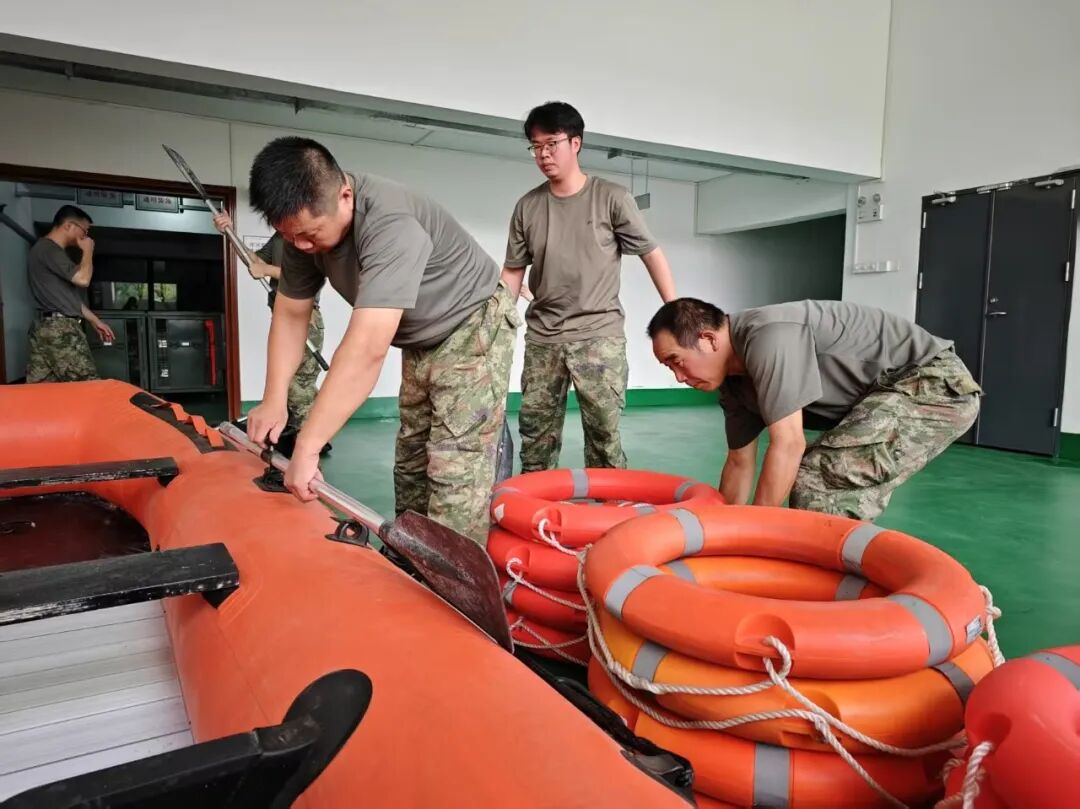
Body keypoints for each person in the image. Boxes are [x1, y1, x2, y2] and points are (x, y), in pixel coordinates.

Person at [244, 136, 521, 545]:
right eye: (291, 237)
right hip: (421, 337)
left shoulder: (390, 223)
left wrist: (308, 446)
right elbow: (289, 313)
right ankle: (410, 559)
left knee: (455, 468)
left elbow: (365, 350)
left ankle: (455, 585)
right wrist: (273, 399)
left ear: (344, 195)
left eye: (309, 234)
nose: (301, 246)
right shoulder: (301, 236)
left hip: (472, 322)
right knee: (411, 461)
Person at [647, 297, 982, 521]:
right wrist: (720, 532)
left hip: (933, 383)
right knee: (825, 473)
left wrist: (753, 533)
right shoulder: (733, 385)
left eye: (677, 361)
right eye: (669, 368)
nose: (679, 377)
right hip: (888, 392)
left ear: (708, 339)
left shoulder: (767, 336)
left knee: (821, 475)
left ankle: (830, 595)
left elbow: (789, 443)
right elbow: (739, 462)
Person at [502, 101, 676, 472]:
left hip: (599, 336)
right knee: (535, 438)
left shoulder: (610, 197)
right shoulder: (528, 207)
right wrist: (494, 321)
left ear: (575, 143)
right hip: (543, 338)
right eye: (535, 146)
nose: (543, 155)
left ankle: (611, 515)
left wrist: (675, 311)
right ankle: (534, 516)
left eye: (552, 144)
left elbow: (651, 253)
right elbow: (513, 272)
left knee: (603, 437)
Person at [212, 212, 325, 427]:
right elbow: (254, 260)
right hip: (282, 316)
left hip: (305, 318)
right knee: (287, 383)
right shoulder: (280, 237)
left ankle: (311, 438)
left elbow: (311, 275)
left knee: (297, 385)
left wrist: (266, 270)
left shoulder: (308, 237)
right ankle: (306, 433)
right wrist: (229, 233)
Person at [26, 205, 114, 383]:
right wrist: (88, 250)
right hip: (60, 329)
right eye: (85, 230)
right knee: (87, 385)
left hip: (47, 328)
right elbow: (83, 279)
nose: (86, 236)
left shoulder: (46, 250)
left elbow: (66, 296)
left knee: (42, 391)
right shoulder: (49, 249)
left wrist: (94, 320)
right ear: (69, 226)